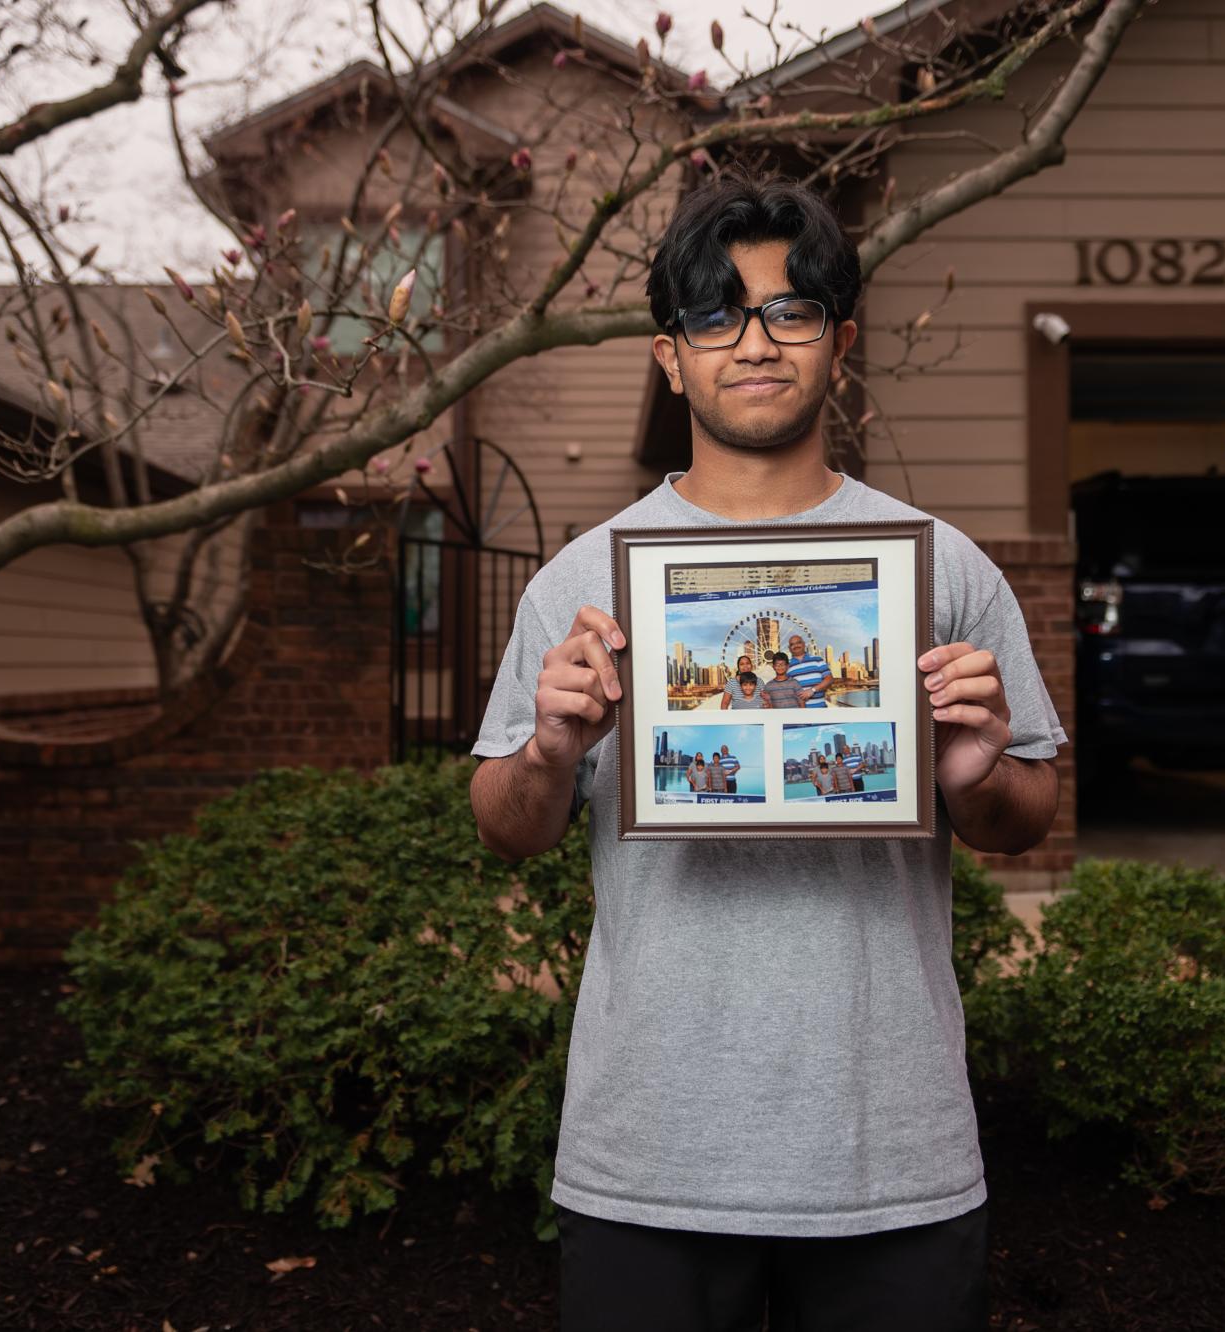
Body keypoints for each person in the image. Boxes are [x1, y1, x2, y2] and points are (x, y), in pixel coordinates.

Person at [467, 169, 1066, 1332]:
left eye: (790, 311)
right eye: (716, 315)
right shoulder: (582, 585)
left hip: (890, 1150)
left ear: (838, 343)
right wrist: (547, 749)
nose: (755, 342)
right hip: (648, 1151)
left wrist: (979, 775)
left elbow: (1025, 816)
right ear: (669, 355)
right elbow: (507, 829)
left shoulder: (943, 572)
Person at [785, 632, 834, 707]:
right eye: (792, 644)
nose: (796, 645)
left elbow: (829, 679)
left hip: (819, 709)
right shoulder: (787, 666)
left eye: (798, 642)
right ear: (789, 648)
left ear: (804, 644)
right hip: (798, 711)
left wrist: (812, 690)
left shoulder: (818, 660)